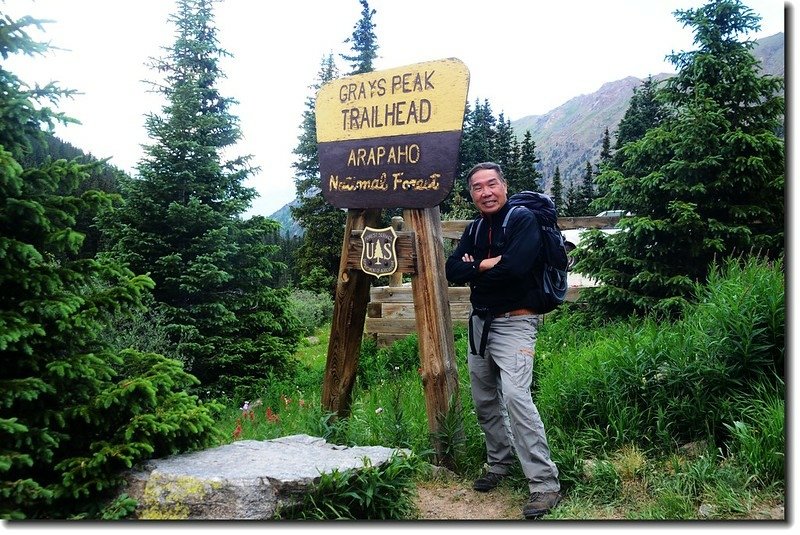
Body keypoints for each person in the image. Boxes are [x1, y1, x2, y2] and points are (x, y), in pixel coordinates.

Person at [445, 161, 562, 519]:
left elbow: (516, 269)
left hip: (516, 322)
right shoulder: (476, 227)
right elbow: (452, 269)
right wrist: (483, 265)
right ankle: (500, 463)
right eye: (478, 187)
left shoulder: (523, 219)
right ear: (471, 194)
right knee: (483, 399)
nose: (486, 192)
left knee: (515, 396)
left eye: (491, 184)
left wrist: (476, 269)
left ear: (504, 186)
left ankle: (545, 483)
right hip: (481, 322)